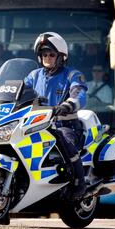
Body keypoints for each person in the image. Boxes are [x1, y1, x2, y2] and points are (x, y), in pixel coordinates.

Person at [24, 32, 88, 201]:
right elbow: (20, 91)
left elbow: (80, 93)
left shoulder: (71, 75)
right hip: (37, 125)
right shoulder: (33, 76)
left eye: (51, 54)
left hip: (65, 125)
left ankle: (79, 183)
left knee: (65, 140)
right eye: (44, 54)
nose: (47, 57)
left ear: (61, 56)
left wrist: (69, 104)